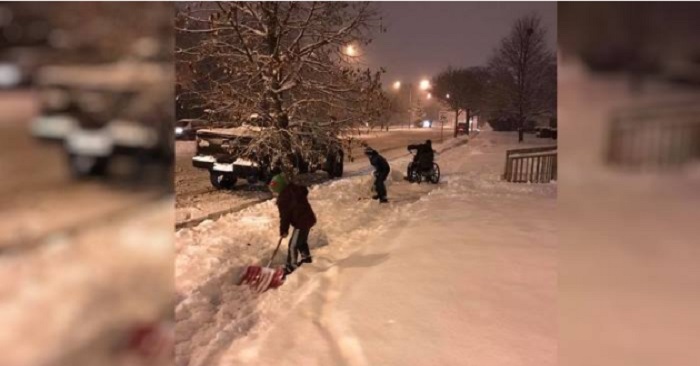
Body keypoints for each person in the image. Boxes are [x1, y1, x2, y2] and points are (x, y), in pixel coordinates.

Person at [268, 173, 316, 274]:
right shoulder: (293, 190)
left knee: (292, 245)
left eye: (274, 191)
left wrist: (284, 230)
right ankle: (306, 258)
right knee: (301, 241)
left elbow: (285, 217)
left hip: (301, 222)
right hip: (308, 219)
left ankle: (291, 266)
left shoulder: (283, 199)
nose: (274, 193)